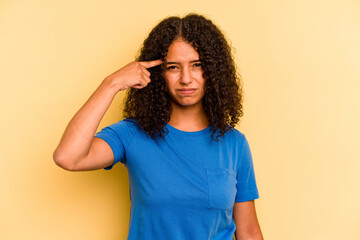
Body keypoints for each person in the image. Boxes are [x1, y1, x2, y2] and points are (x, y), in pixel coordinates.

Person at [53, 13, 263, 240]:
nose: (185, 78)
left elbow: (249, 233)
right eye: (173, 67)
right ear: (157, 73)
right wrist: (111, 84)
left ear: (213, 71)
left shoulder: (234, 143)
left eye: (197, 65)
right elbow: (68, 157)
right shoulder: (132, 134)